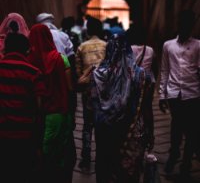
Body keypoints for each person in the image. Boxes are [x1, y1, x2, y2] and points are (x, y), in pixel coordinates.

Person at [90, 34, 154, 183]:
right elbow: (146, 108)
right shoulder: (141, 75)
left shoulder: (97, 76)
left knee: (107, 172)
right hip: (131, 134)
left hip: (105, 134)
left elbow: (91, 106)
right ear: (128, 51)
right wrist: (150, 133)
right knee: (128, 174)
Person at [29, 24, 76, 183]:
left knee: (43, 152)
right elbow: (70, 88)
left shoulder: (30, 61)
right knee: (60, 153)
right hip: (61, 112)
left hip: (40, 114)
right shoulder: (60, 58)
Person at [159, 9, 200, 176]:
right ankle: (174, 153)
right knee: (176, 126)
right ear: (179, 25)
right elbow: (164, 70)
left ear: (191, 26)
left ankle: (186, 161)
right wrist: (162, 95)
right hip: (174, 93)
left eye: (188, 25)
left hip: (193, 93)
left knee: (192, 130)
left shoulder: (198, 45)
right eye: (183, 24)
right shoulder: (168, 45)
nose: (185, 28)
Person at [0, 33, 45, 183]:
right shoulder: (33, 73)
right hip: (25, 136)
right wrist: (39, 144)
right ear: (26, 50)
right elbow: (39, 109)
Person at [75, 17, 106, 172]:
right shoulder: (106, 46)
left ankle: (85, 158)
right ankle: (102, 156)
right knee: (102, 125)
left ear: (88, 30)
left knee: (87, 126)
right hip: (104, 93)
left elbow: (78, 72)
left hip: (88, 92)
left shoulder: (81, 47)